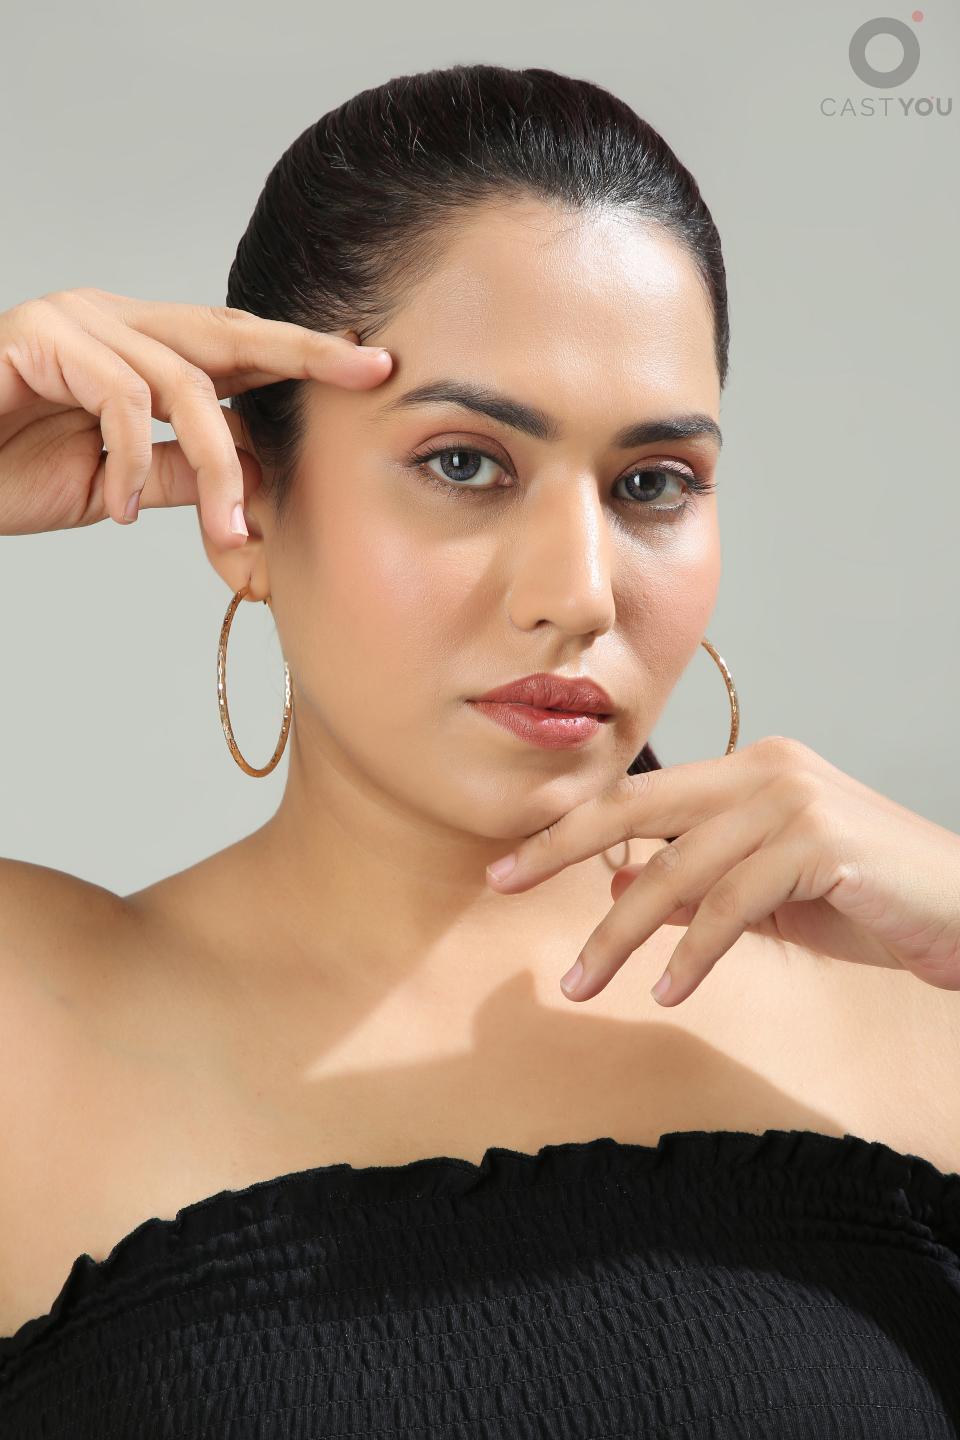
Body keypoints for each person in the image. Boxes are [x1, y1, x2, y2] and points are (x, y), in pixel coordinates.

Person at [0, 62, 957, 1440]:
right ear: (248, 495)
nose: (579, 592)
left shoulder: (921, 1009)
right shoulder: (35, 1019)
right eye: (465, 463)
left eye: (652, 485)